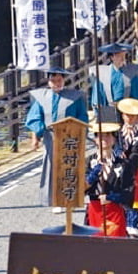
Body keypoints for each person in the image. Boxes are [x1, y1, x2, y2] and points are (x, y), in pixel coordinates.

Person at [25, 68, 88, 208]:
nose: (56, 83)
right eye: (53, 81)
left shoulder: (74, 97)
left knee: (69, 166)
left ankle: (69, 198)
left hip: (70, 136)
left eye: (59, 80)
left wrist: (80, 132)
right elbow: (34, 118)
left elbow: (83, 117)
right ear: (48, 81)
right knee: (51, 166)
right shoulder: (42, 98)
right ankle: (54, 199)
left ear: (64, 80)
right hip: (50, 136)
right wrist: (37, 135)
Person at [85, 121, 135, 238]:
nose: (104, 139)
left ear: (114, 139)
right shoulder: (88, 162)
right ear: (96, 140)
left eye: (108, 135)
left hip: (115, 210)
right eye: (100, 135)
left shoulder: (123, 164)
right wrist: (94, 173)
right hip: (95, 210)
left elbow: (129, 192)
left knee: (116, 247)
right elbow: (81, 188)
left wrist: (111, 197)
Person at [116, 97, 138, 237]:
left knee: (132, 197)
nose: (130, 119)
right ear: (122, 115)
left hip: (132, 171)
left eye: (134, 116)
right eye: (128, 115)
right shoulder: (116, 133)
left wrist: (128, 168)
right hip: (114, 171)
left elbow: (137, 154)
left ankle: (132, 225)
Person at [89, 42, 138, 110]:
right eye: (119, 56)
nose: (122, 59)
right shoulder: (103, 74)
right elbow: (98, 97)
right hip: (109, 109)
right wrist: (98, 108)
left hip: (127, 109)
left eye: (124, 56)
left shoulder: (131, 73)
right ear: (112, 57)